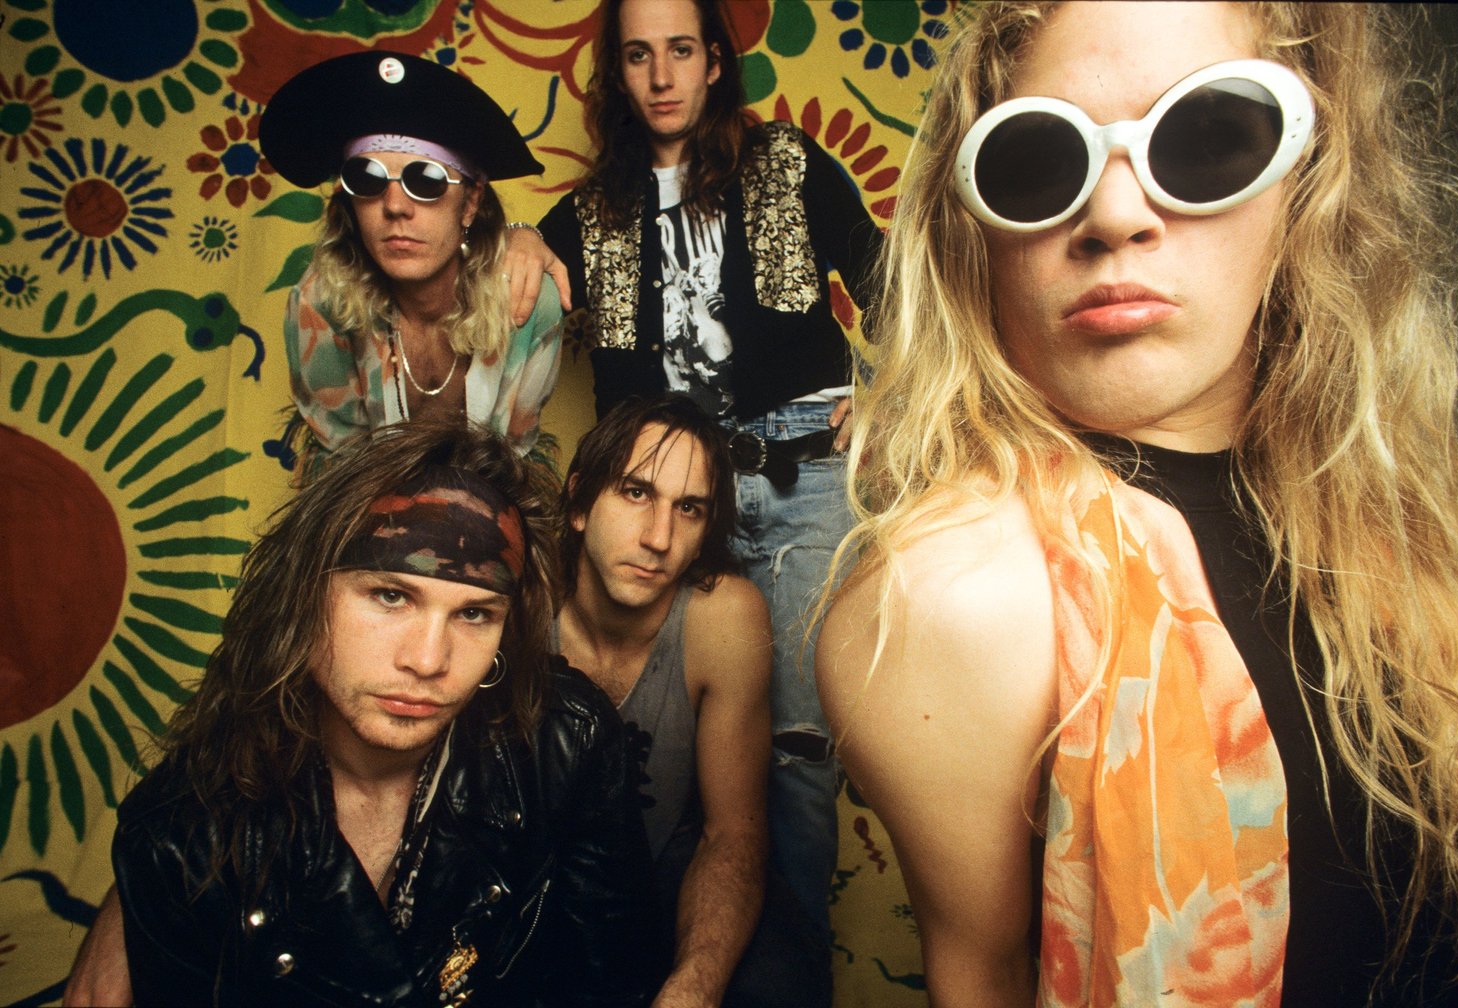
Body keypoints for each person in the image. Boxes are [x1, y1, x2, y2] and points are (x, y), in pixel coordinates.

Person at [817, 3, 1458, 1006]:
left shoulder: (1405, 518)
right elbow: (983, 975)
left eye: (1207, 136)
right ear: (976, 233)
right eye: (1038, 160)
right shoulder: (958, 596)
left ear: (1307, 186)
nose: (1113, 214)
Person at [71, 418, 668, 1005]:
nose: (428, 660)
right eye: (391, 596)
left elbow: (613, 986)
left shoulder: (568, 743)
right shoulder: (182, 835)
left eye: (474, 614)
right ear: (304, 596)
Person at [530, 0, 885, 954]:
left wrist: (897, 395)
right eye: (638, 56)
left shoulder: (786, 164)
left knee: (798, 749)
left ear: (716, 61)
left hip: (803, 477)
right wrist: (512, 239)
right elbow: (506, 318)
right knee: (653, 744)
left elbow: (897, 289)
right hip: (669, 494)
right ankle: (648, 968)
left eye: (680, 50)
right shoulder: (590, 211)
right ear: (617, 73)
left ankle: (781, 983)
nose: (661, 77)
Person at [556, 395, 829, 1006]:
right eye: (635, 493)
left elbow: (731, 833)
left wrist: (694, 988)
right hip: (537, 883)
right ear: (578, 503)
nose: (659, 538)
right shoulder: (516, 605)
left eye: (689, 508)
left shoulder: (722, 618)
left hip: (664, 868)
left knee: (779, 979)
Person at [258, 50, 570, 472]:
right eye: (367, 179)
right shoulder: (321, 302)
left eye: (425, 181)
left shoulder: (527, 301)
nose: (394, 206)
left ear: (470, 203)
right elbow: (340, 468)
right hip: (361, 504)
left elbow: (514, 463)